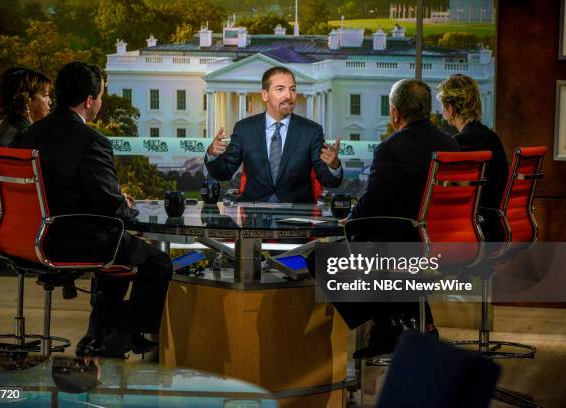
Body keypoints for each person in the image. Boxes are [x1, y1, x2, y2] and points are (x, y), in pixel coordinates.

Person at [22, 62, 173, 358]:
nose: (101, 102)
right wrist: (129, 210)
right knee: (158, 264)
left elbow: (61, 189)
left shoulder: (32, 134)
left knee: (116, 250)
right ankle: (123, 335)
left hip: (36, 237)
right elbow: (110, 205)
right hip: (77, 239)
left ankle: (97, 333)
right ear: (89, 101)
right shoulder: (92, 141)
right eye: (101, 96)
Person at [309, 79, 460, 356]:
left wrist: (350, 222)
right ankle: (411, 323)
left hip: (404, 244)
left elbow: (373, 204)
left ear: (395, 113)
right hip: (440, 242)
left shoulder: (392, 148)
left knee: (320, 259)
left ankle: (386, 324)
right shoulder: (451, 145)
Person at [204, 66, 343, 203]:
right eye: (280, 89)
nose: (289, 96)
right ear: (265, 95)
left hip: (297, 216)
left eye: (292, 89)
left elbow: (329, 181)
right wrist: (212, 154)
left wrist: (334, 166)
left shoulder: (311, 131)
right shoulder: (244, 129)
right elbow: (223, 173)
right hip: (254, 215)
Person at [437, 74, 509, 212]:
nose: (441, 111)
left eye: (442, 105)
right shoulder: (492, 137)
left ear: (451, 109)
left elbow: (451, 194)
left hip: (473, 221)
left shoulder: (461, 143)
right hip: (494, 220)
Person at [0, 67, 51, 147]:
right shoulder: (28, 136)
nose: (50, 101)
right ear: (27, 99)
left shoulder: (6, 126)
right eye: (45, 95)